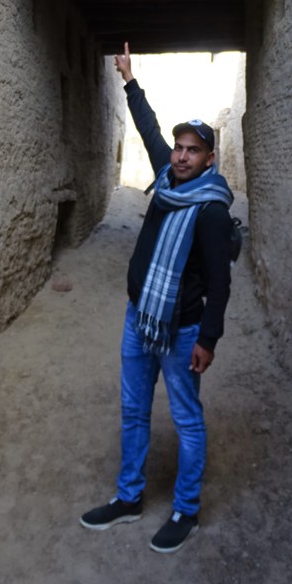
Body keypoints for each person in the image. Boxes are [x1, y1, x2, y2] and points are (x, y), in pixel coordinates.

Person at [80, 43, 234, 553]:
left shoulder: (210, 209)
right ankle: (128, 498)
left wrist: (208, 339)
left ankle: (186, 511)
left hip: (183, 330)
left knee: (187, 419)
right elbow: (148, 127)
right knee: (132, 409)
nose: (182, 156)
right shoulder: (166, 181)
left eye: (193, 150)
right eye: (179, 148)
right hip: (139, 320)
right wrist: (128, 78)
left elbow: (220, 281)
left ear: (209, 158)